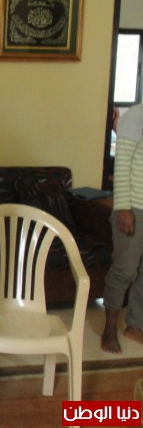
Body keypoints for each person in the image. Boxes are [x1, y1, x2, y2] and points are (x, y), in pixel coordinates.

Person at [102, 103, 143, 354]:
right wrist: (123, 208)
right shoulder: (136, 116)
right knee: (125, 270)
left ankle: (135, 326)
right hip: (133, 207)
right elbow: (123, 163)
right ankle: (109, 330)